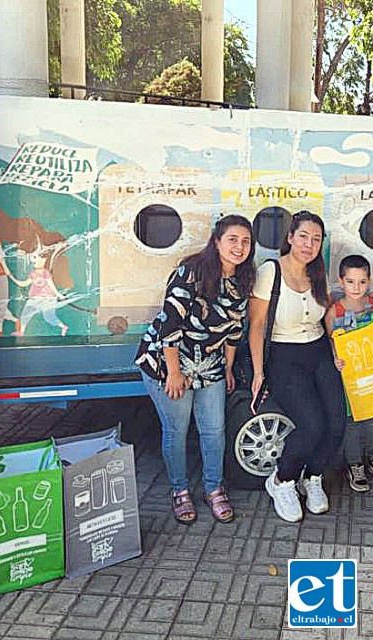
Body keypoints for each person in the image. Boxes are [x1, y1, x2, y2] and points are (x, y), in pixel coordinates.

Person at [135, 215, 255, 525]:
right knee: (177, 430)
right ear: (217, 241)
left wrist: (227, 368)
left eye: (245, 241)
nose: (239, 247)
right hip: (168, 360)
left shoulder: (243, 279)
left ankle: (214, 488)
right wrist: (173, 373)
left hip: (210, 364)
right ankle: (180, 491)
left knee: (214, 429)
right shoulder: (192, 271)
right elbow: (170, 324)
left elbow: (234, 330)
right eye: (232, 239)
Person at [249, 211, 346, 523]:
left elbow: (329, 313)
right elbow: (257, 324)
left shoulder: (317, 274)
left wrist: (366, 302)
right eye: (303, 236)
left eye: (316, 239)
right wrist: (258, 371)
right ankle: (283, 481)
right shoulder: (270, 271)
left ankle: (312, 477)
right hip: (283, 355)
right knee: (311, 425)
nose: (309, 244)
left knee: (336, 424)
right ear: (290, 237)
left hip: (318, 351)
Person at [325, 254, 373, 492]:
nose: (356, 288)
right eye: (350, 281)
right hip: (348, 379)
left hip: (372, 376)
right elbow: (329, 342)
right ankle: (354, 464)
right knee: (352, 423)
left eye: (362, 282)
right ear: (341, 281)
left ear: (369, 281)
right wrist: (334, 359)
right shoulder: (333, 312)